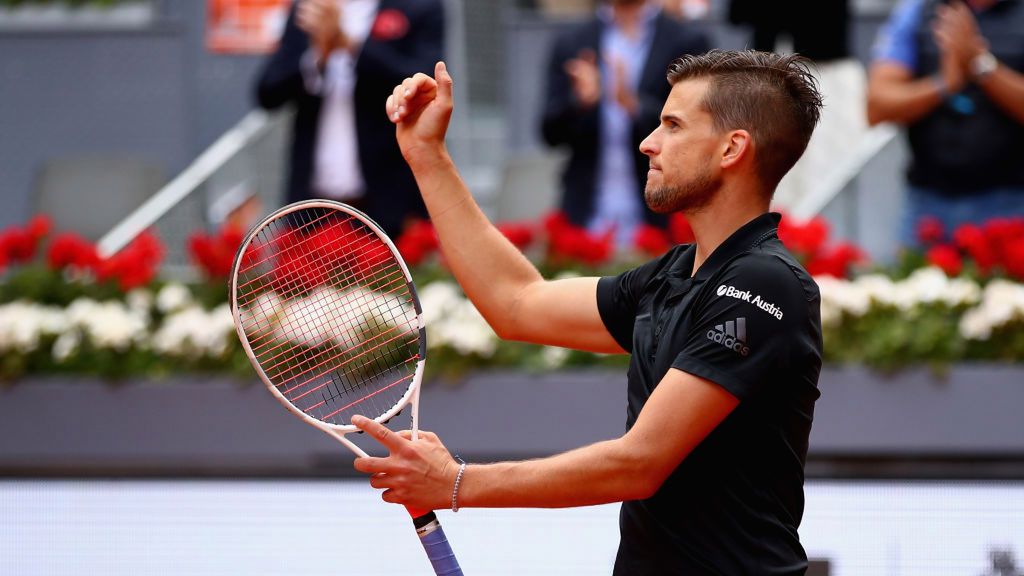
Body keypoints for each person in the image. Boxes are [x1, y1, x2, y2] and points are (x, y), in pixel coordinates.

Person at [352, 50, 825, 574]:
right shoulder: (673, 275)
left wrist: (456, 483)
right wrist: (427, 155)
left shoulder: (765, 284)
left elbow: (639, 463)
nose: (649, 141)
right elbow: (516, 304)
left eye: (672, 125)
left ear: (732, 149)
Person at [255, 0, 444, 237]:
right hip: (312, 210)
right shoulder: (310, 9)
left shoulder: (418, 6)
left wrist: (350, 46)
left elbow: (425, 82)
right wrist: (317, 57)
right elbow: (268, 92)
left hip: (388, 205)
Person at [541, 0, 710, 248]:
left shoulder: (686, 40)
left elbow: (699, 126)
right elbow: (549, 133)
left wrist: (635, 106)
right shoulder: (573, 41)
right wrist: (579, 103)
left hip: (661, 219)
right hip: (585, 220)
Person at [867, 0, 1024, 245]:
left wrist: (981, 66)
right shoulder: (917, 11)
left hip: (1010, 205)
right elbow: (877, 105)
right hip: (927, 206)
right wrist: (943, 85)